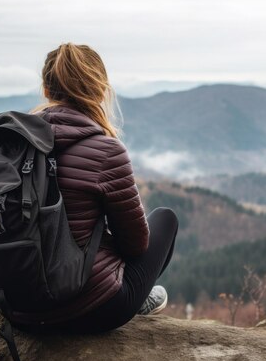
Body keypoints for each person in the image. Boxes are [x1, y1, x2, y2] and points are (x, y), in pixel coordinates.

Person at [10, 43, 178, 332]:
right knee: (165, 218)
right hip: (91, 311)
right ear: (100, 91)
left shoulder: (12, 142)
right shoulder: (106, 151)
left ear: (47, 91)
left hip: (17, 309)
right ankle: (137, 297)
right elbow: (136, 245)